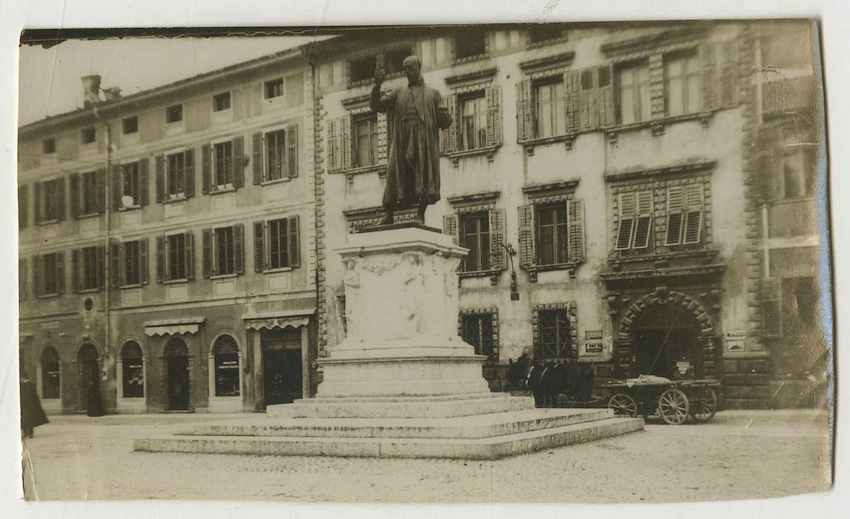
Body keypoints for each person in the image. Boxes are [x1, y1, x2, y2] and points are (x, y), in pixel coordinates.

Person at [370, 55, 453, 224]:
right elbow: (377, 105)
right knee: (395, 174)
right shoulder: (399, 93)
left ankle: (420, 214)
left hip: (423, 140)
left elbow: (446, 119)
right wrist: (377, 85)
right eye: (405, 68)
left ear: (418, 68)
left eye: (410, 68)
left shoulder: (433, 94)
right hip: (403, 139)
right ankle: (389, 214)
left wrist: (444, 116)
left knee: (422, 175)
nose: (407, 72)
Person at [20, 372, 48, 438]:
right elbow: (35, 397)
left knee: (24, 420)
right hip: (30, 405)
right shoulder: (31, 385)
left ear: (22, 378)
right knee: (29, 420)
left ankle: (26, 433)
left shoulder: (22, 386)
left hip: (24, 405)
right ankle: (29, 433)